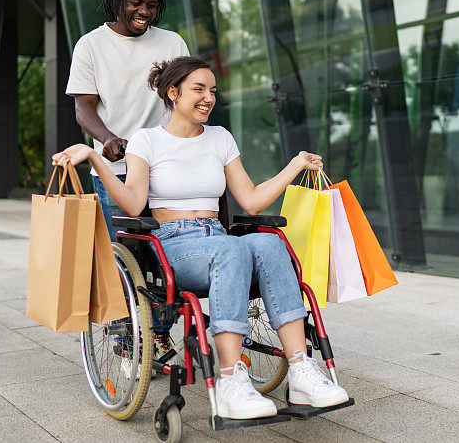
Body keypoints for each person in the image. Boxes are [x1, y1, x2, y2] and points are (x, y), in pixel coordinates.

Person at [53, 55, 349, 420]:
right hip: (173, 244)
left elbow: (252, 201)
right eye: (198, 89)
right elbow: (132, 204)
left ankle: (302, 369)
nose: (208, 97)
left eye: (212, 90)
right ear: (173, 93)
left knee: (271, 242)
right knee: (231, 250)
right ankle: (229, 380)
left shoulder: (220, 138)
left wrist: (296, 164)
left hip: (218, 237)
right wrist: (94, 159)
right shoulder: (148, 141)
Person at [66, 0, 189, 241]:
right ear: (117, 2)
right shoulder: (90, 45)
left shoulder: (173, 43)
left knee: (169, 248)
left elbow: (186, 99)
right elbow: (83, 108)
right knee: (121, 255)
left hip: (167, 167)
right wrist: (107, 138)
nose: (144, 11)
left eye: (151, 5)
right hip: (116, 172)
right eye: (136, 3)